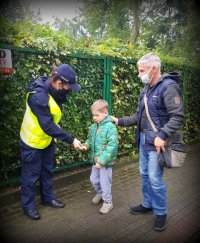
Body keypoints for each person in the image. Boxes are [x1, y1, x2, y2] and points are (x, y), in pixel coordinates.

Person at [111, 52, 184, 231]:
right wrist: (119, 121)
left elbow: (178, 116)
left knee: (154, 178)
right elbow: (139, 116)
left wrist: (162, 135)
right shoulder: (147, 89)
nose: (139, 74)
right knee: (144, 175)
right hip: (144, 139)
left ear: (154, 68)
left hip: (158, 143)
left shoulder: (169, 87)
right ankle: (147, 204)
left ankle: (160, 212)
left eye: (142, 70)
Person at [20, 63, 83, 220]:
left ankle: (47, 198)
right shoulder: (38, 96)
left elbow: (51, 118)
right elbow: (47, 125)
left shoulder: (53, 89)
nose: (68, 92)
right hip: (32, 141)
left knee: (47, 171)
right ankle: (28, 206)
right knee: (31, 175)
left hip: (47, 140)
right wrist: (71, 139)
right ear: (59, 83)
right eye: (68, 88)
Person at [81, 99, 118, 214]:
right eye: (93, 115)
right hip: (95, 161)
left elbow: (112, 146)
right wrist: (85, 146)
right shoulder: (93, 127)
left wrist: (102, 161)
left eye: (97, 115)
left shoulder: (110, 127)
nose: (94, 118)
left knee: (105, 182)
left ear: (105, 113)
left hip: (105, 162)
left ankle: (108, 202)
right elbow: (90, 139)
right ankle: (100, 193)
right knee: (93, 179)